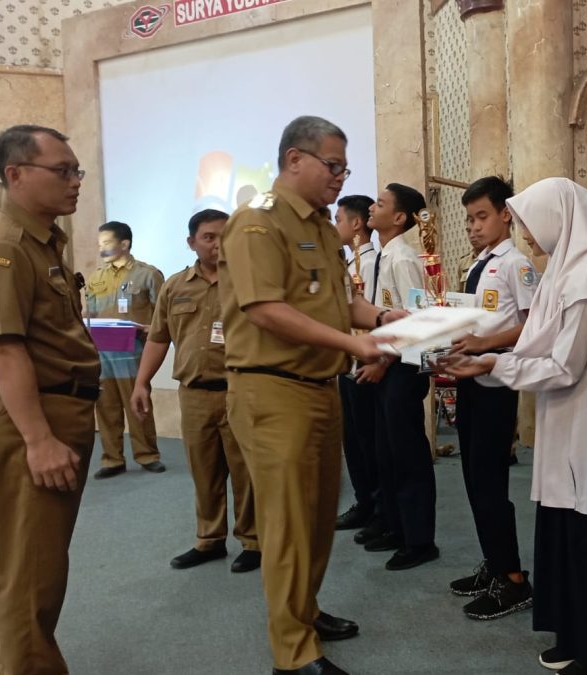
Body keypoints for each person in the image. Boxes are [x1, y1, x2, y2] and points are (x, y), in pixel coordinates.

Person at [219, 115, 400, 675]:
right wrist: (354, 343)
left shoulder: (324, 228)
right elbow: (265, 310)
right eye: (333, 165)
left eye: (346, 167)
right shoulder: (255, 225)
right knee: (289, 524)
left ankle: (304, 609)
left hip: (321, 387)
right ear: (294, 160)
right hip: (273, 390)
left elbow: (338, 304)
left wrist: (392, 319)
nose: (341, 177)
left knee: (318, 518)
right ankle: (292, 654)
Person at [445, 178, 587, 675]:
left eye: (530, 220)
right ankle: (576, 634)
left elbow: (565, 365)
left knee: (584, 528)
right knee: (560, 525)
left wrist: (493, 366)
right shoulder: (561, 271)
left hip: (583, 416)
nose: (525, 232)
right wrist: (485, 357)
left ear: (559, 217)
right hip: (559, 413)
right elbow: (534, 343)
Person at [0, 125, 100, 673]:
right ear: (16, 175)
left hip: (58, 410)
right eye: (64, 171)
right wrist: (38, 439)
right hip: (35, 418)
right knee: (29, 574)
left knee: (38, 569)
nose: (76, 181)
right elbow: (6, 351)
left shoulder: (44, 239)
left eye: (76, 170)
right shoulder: (5, 246)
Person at [130, 209, 260, 573]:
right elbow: (158, 338)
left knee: (247, 471)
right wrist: (142, 383)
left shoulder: (249, 281)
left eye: (224, 235)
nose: (218, 244)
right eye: (208, 237)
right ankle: (209, 539)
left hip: (240, 390)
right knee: (204, 471)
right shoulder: (174, 286)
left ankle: (253, 540)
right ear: (191, 242)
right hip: (195, 394)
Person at [448, 176, 535, 620]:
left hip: (496, 379)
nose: (474, 226)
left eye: (482, 216)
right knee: (472, 478)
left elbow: (532, 323)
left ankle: (514, 579)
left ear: (505, 214)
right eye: (469, 219)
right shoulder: (479, 263)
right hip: (470, 375)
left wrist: (483, 346)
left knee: (491, 483)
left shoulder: (516, 263)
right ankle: (494, 562)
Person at [360, 182, 439, 570]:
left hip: (401, 368)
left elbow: (415, 322)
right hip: (383, 363)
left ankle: (420, 539)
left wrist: (382, 361)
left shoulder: (403, 259)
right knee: (385, 451)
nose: (372, 209)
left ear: (399, 217)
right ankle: (393, 524)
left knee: (407, 455)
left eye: (380, 204)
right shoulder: (381, 256)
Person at [86, 220, 166, 478]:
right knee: (106, 406)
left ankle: (147, 455)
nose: (102, 248)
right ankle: (112, 459)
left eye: (107, 243)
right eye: (100, 244)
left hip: (134, 350)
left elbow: (163, 316)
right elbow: (90, 312)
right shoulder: (96, 277)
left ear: (124, 244)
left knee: (138, 404)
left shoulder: (147, 274)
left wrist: (146, 328)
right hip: (102, 353)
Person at [332, 194, 381, 532]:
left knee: (370, 440)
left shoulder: (374, 261)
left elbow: (376, 309)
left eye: (338, 219)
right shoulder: (348, 266)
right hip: (347, 363)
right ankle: (364, 502)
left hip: (369, 361)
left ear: (356, 224)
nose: (334, 226)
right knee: (353, 440)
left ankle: (379, 507)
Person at [457, 219, 483, 292]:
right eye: (469, 231)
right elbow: (460, 294)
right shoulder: (463, 262)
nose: (472, 236)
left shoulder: (497, 260)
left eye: (477, 231)